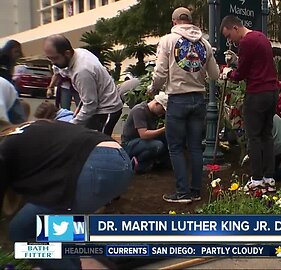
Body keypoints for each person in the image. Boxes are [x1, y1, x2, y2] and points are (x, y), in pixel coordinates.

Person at [0, 119, 133, 269]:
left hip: (92, 166)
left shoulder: (4, 148)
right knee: (56, 229)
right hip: (119, 159)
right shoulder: (27, 129)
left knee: (22, 232)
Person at [148, 7, 219, 203]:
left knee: (176, 148)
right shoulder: (205, 43)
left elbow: (161, 72)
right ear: (191, 20)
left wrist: (153, 88)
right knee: (196, 147)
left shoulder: (167, 41)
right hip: (198, 99)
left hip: (178, 99)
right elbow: (215, 75)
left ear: (174, 22)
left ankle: (182, 193)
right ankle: (196, 191)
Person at [220, 15, 279, 193]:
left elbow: (241, 74)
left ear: (235, 28)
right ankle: (269, 178)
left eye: (229, 36)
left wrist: (228, 73)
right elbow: (256, 64)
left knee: (253, 137)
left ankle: (256, 179)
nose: (230, 41)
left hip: (257, 93)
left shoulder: (247, 41)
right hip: (272, 91)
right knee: (267, 136)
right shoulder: (261, 37)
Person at [43, 35, 123, 136]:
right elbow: (63, 71)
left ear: (67, 53)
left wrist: (72, 125)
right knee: (84, 136)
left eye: (55, 58)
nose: (53, 63)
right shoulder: (79, 52)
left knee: (98, 142)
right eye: (49, 59)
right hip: (96, 102)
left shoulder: (82, 71)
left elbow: (90, 105)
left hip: (107, 109)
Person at [121, 93, 169, 174]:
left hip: (140, 142)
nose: (163, 112)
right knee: (157, 145)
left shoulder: (153, 113)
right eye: (162, 109)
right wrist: (164, 129)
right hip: (129, 144)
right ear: (157, 104)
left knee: (166, 139)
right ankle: (137, 164)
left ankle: (158, 163)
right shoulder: (139, 110)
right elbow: (144, 134)